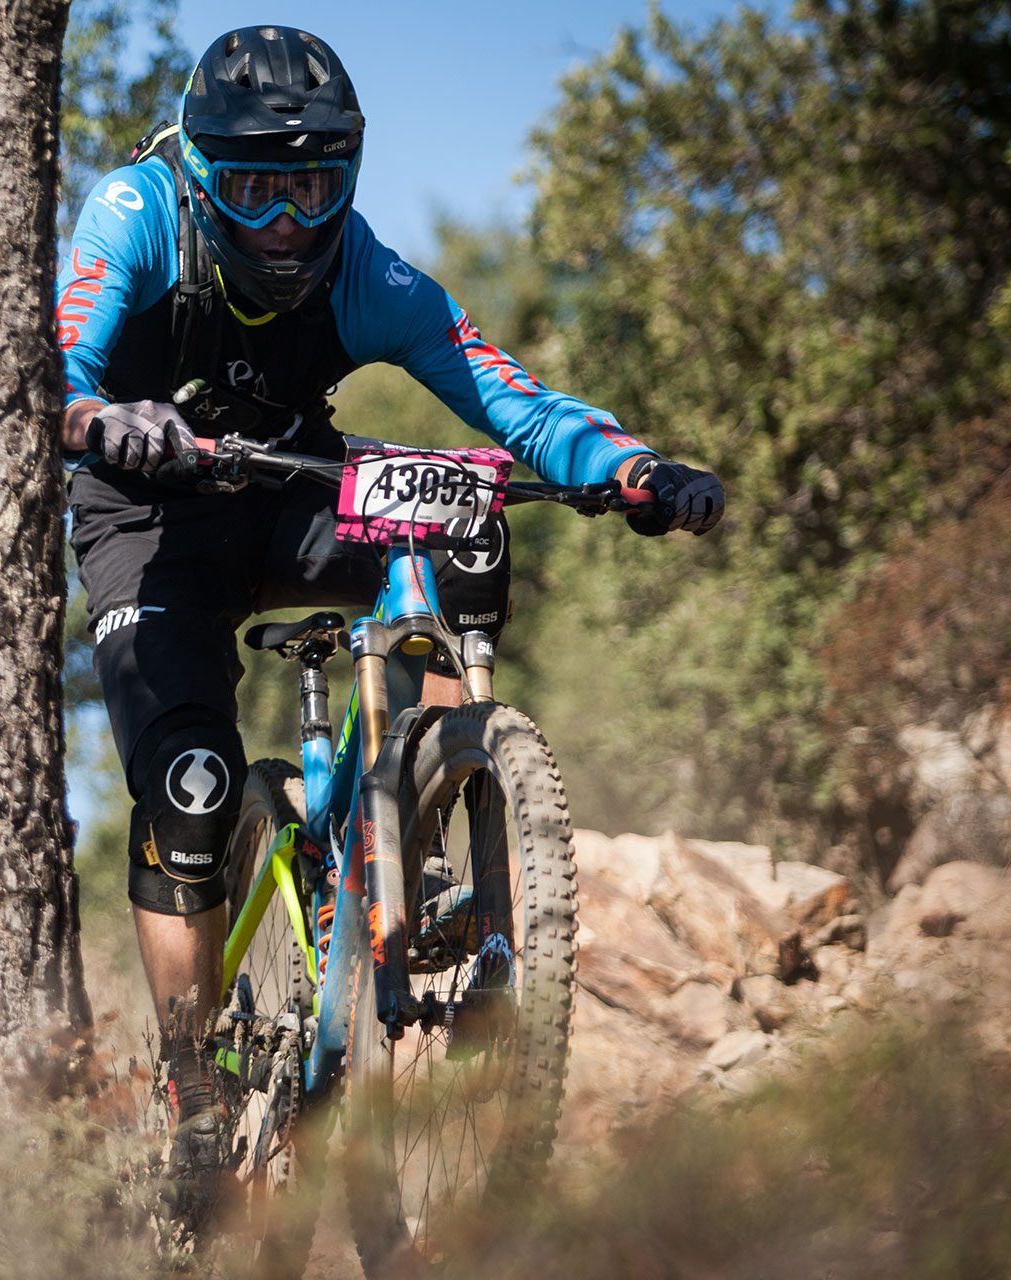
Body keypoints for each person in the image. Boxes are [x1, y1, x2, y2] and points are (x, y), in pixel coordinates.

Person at [54, 25, 724, 1172]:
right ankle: (189, 1086)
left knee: (465, 513)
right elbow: (53, 363)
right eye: (255, 184)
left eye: (312, 186)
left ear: (345, 179)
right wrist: (100, 417)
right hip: (150, 514)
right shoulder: (135, 215)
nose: (283, 219)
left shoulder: (364, 270)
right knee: (192, 785)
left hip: (289, 485)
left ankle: (422, 791)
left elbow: (506, 396)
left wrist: (631, 466)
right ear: (200, 170)